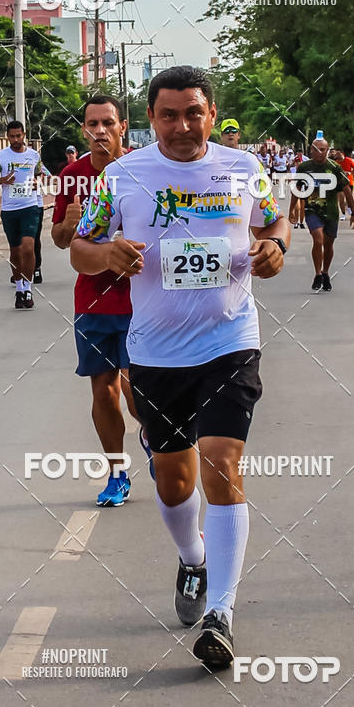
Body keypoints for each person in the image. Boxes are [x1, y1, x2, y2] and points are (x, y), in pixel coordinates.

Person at [70, 66, 290, 667]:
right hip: (156, 352)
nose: (183, 125)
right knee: (174, 479)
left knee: (221, 462)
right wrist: (105, 252)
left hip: (230, 339)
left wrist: (276, 246)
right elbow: (79, 248)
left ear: (212, 114)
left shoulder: (245, 170)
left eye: (194, 112)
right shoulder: (122, 177)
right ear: (151, 119)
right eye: (169, 114)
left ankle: (221, 610)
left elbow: (274, 220)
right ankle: (193, 561)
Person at [52, 95, 153, 507]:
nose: (100, 131)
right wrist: (70, 225)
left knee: (135, 392)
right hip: (92, 301)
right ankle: (117, 473)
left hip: (140, 301)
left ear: (122, 127)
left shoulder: (143, 172)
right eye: (92, 124)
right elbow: (60, 240)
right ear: (84, 130)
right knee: (103, 391)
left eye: (107, 122)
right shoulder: (72, 175)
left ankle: (154, 438)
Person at [0, 120, 43, 309]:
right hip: (10, 210)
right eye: (12, 136)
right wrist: (3, 179)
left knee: (28, 247)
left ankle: (28, 288)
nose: (16, 139)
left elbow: (39, 176)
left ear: (24, 135)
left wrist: (37, 185)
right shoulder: (0, 157)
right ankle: (19, 289)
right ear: (7, 136)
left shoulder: (34, 155)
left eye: (19, 136)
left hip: (30, 206)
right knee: (16, 251)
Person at [296, 137, 354, 291]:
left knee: (328, 245)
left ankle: (325, 272)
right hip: (312, 210)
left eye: (323, 149)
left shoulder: (335, 168)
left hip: (330, 212)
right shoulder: (304, 167)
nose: (320, 153)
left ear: (328, 151)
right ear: (311, 150)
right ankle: (317, 274)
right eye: (316, 149)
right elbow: (296, 189)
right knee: (318, 240)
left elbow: (347, 191)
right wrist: (293, 210)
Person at [331, 149, 354, 220]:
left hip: (349, 182)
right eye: (336, 154)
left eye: (338, 154)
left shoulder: (348, 160)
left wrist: (350, 173)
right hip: (340, 183)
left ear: (342, 154)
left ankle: (350, 208)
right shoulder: (335, 163)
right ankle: (343, 214)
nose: (336, 156)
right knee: (341, 198)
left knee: (349, 198)